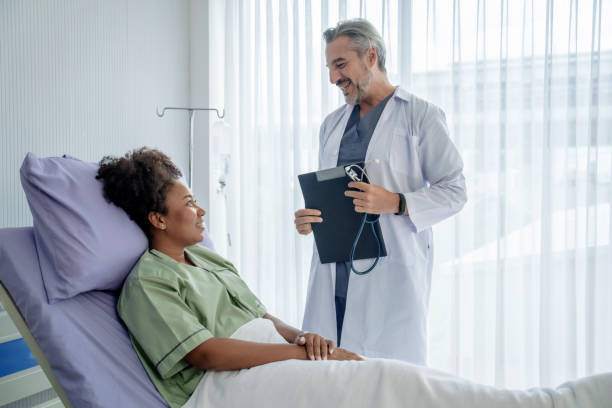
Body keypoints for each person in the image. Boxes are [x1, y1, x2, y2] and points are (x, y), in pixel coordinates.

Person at [96, 148, 362, 408]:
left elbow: (263, 317)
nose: (201, 211)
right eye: (189, 203)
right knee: (360, 384)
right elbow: (205, 353)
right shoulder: (148, 281)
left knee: (363, 374)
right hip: (223, 383)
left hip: (274, 357)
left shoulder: (207, 258)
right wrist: (300, 354)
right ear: (158, 219)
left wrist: (304, 338)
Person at [294, 19, 467, 364]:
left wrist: (397, 202)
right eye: (329, 67)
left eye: (340, 65)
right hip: (335, 271)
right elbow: (334, 193)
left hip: (391, 274)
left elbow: (455, 190)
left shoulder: (421, 116)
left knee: (388, 381)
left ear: (371, 55)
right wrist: (311, 218)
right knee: (329, 374)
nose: (332, 78)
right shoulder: (331, 125)